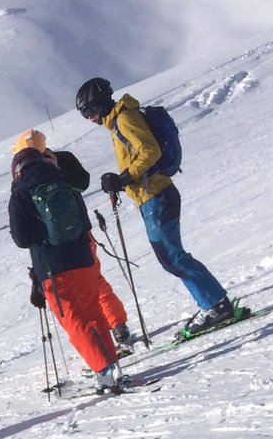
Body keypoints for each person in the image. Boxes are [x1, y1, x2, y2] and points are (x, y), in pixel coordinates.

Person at [75, 78, 236, 335]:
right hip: (152, 196)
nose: (90, 118)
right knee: (170, 257)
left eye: (90, 111)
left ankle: (215, 305)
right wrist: (121, 182)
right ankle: (213, 303)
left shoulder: (125, 119)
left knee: (172, 256)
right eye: (85, 115)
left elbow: (150, 151)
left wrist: (125, 177)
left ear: (102, 104)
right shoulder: (119, 122)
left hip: (157, 196)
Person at [9, 144, 125, 393]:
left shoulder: (20, 192)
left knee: (73, 319)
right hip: (83, 258)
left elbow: (21, 238)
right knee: (93, 311)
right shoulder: (63, 180)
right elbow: (82, 221)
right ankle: (113, 365)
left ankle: (103, 372)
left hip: (52, 266)